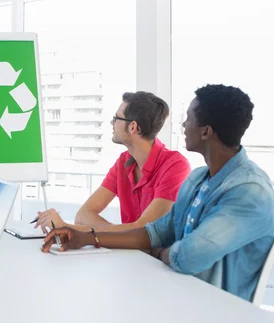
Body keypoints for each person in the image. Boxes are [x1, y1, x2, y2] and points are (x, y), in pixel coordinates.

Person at [42, 85, 274, 301]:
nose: (183, 125)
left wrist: (160, 251)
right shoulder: (198, 179)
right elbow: (156, 231)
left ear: (206, 132)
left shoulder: (250, 190)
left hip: (217, 311)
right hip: (178, 292)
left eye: (189, 119)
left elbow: (189, 256)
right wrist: (85, 237)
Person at [35, 91, 190, 233]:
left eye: (116, 118)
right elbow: (83, 215)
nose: (112, 123)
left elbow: (144, 232)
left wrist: (67, 227)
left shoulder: (175, 166)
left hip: (158, 261)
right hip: (129, 256)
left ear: (133, 127)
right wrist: (118, 233)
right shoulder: (123, 162)